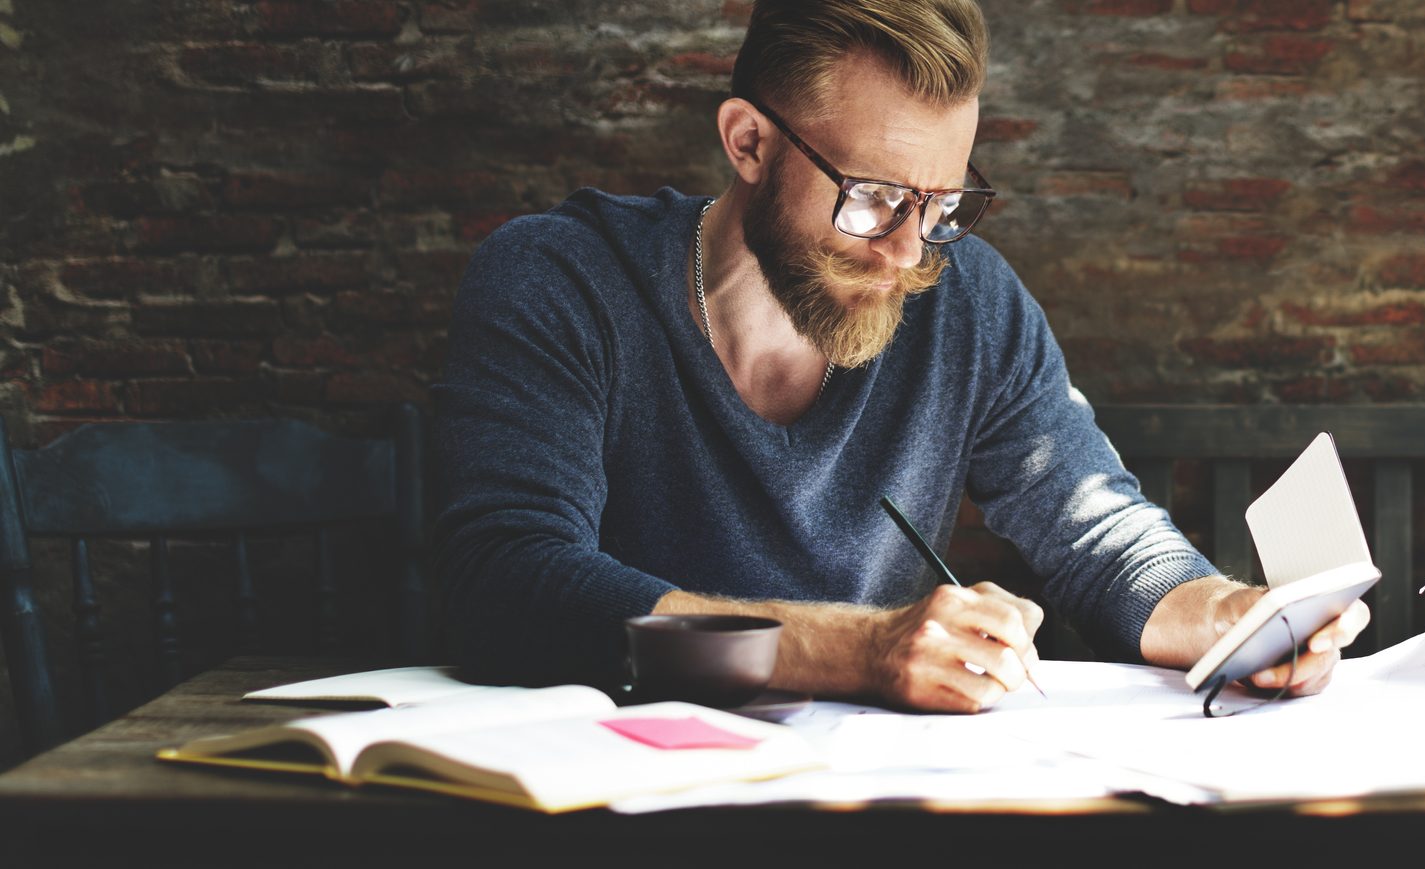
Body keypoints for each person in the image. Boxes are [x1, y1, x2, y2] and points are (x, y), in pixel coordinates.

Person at [432, 0, 1367, 713]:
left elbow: (1091, 528)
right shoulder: (560, 280)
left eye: (943, 204)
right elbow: (509, 584)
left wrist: (1215, 610)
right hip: (609, 796)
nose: (908, 251)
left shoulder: (970, 301)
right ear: (748, 142)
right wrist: (855, 649)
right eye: (873, 197)